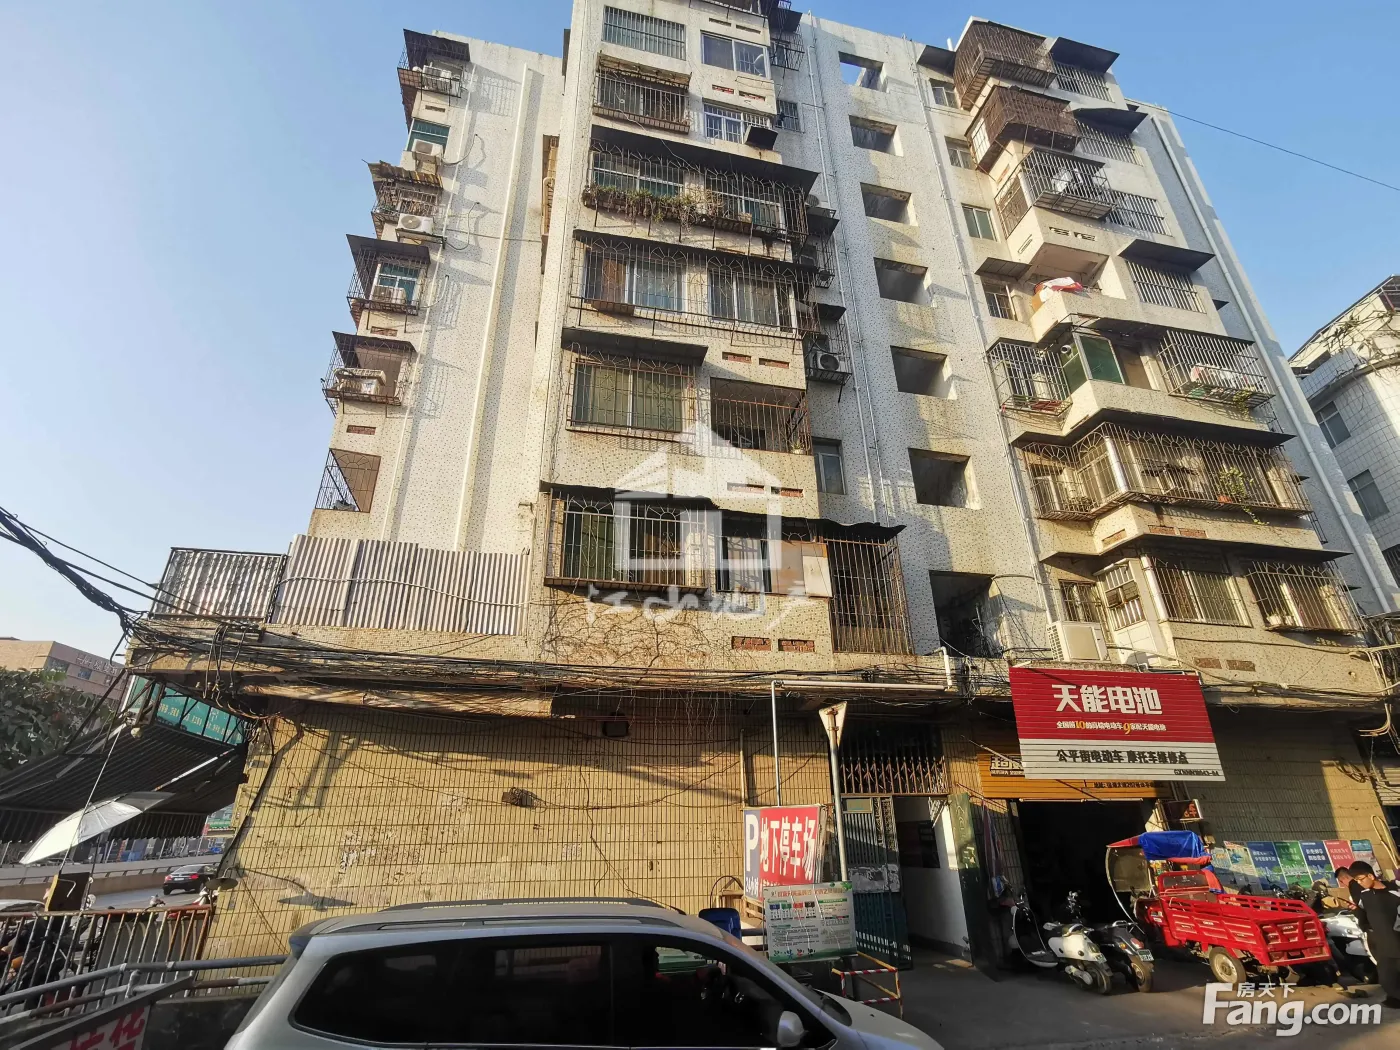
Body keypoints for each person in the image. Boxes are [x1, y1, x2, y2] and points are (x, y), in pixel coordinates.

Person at [1347, 861, 1400, 1007]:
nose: (1359, 883)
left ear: (1371, 876)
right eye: (1356, 881)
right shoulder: (1364, 896)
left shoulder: (1395, 892)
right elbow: (1363, 918)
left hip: (1397, 940)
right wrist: (1356, 911)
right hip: (1382, 944)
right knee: (1387, 980)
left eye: (1360, 879)